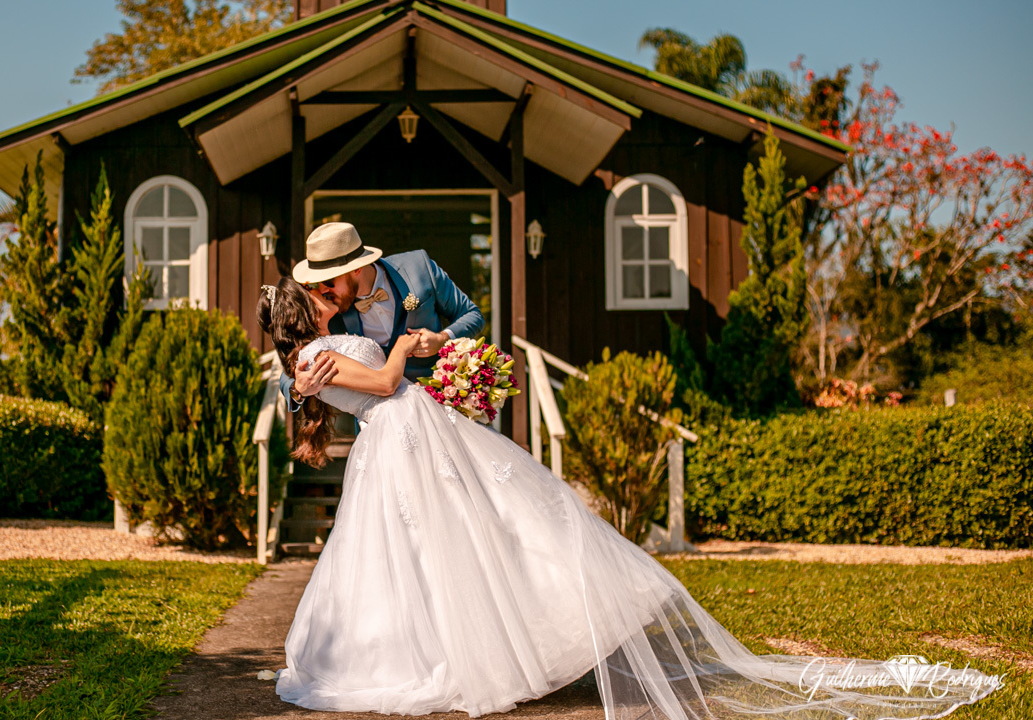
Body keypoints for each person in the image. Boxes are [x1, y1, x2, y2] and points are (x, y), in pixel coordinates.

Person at [255, 278, 1005, 720]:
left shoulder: (309, 358)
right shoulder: (317, 354)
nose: (328, 298)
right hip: (402, 435)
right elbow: (386, 383)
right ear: (302, 312)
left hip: (407, 438)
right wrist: (408, 345)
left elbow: (325, 388)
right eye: (315, 295)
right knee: (443, 542)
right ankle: (447, 652)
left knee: (451, 542)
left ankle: (458, 642)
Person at [278, 221, 484, 415]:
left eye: (329, 281)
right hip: (380, 425)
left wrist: (442, 339)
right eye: (317, 283)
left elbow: (472, 314)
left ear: (356, 269)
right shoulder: (329, 312)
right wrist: (297, 389)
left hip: (442, 406)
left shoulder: (419, 268)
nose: (323, 290)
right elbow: (296, 357)